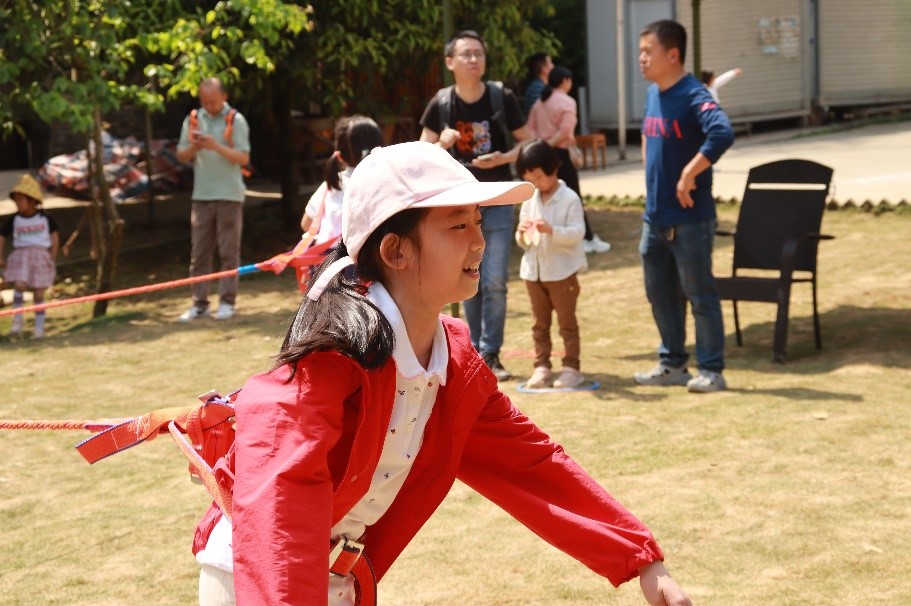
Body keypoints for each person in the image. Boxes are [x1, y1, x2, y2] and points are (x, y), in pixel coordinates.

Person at [191, 141, 692, 606]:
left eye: (478, 221)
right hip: (257, 582)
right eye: (458, 226)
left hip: (334, 580)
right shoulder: (334, 358)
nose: (480, 241)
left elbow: (531, 465)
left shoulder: (453, 363)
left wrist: (640, 559)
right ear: (395, 251)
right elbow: (278, 504)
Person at [419, 29, 531, 381]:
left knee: (494, 279)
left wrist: (503, 157)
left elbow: (527, 144)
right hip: (458, 205)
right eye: (466, 54)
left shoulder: (501, 96)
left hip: (496, 200)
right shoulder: (441, 102)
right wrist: (442, 144)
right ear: (450, 62)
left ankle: (490, 353)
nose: (473, 60)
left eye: (478, 53)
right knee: (466, 277)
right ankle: (475, 353)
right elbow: (419, 155)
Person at [634, 19, 735, 393]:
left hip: (691, 218)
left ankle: (711, 370)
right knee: (659, 293)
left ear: (673, 54)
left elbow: (722, 132)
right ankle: (672, 363)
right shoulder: (653, 94)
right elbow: (649, 138)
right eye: (641, 51)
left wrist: (689, 173)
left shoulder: (695, 94)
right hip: (655, 217)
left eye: (649, 51)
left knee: (700, 294)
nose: (642, 58)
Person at [176, 77, 251, 322]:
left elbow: (243, 158)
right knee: (199, 254)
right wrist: (196, 147)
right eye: (204, 101)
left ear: (224, 97)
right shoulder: (193, 119)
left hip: (229, 194)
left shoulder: (235, 120)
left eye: (213, 101)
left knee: (228, 252)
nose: (208, 106)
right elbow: (182, 155)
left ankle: (227, 302)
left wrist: (215, 146)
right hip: (202, 194)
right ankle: (199, 304)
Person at [514, 139, 587, 389]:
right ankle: (542, 366)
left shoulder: (569, 198)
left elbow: (578, 233)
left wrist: (551, 230)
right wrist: (522, 233)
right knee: (539, 324)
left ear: (552, 168)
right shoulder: (530, 199)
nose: (535, 183)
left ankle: (571, 367)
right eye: (529, 179)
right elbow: (523, 242)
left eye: (538, 176)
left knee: (567, 323)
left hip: (561, 273)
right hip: (533, 272)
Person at [526, 65, 612, 255]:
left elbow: (529, 129)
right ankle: (586, 238)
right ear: (565, 81)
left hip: (541, 155)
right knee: (573, 196)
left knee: (546, 196)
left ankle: (562, 234)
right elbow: (565, 131)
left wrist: (540, 148)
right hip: (560, 155)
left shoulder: (539, 102)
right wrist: (548, 146)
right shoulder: (566, 101)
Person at [300, 115, 385, 245]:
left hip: (328, 256)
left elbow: (306, 224)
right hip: (360, 256)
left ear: (339, 156)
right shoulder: (384, 185)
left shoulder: (332, 184)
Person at [0, 174, 59, 338]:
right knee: (19, 285)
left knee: (39, 293)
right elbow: (2, 236)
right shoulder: (15, 219)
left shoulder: (44, 218)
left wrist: (52, 257)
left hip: (41, 257)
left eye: (21, 200)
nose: (18, 203)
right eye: (16, 200)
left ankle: (39, 328)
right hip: (21, 256)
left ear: (32, 201)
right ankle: (17, 321)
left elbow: (54, 237)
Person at [521, 52, 553, 117]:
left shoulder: (538, 85)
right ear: (544, 69)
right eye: (550, 63)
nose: (553, 66)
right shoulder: (538, 88)